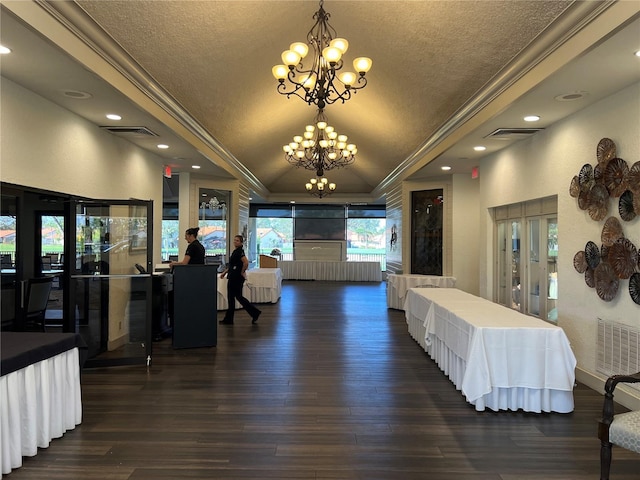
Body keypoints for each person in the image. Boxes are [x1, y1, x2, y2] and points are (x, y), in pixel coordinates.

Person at [219, 234, 261, 325]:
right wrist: (225, 272)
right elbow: (232, 265)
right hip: (234, 276)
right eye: (234, 240)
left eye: (237, 240)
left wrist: (242, 272)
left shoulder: (239, 252)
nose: (235, 242)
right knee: (235, 297)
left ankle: (254, 313)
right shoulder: (236, 251)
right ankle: (253, 313)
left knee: (235, 297)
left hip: (236, 278)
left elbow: (246, 262)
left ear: (241, 242)